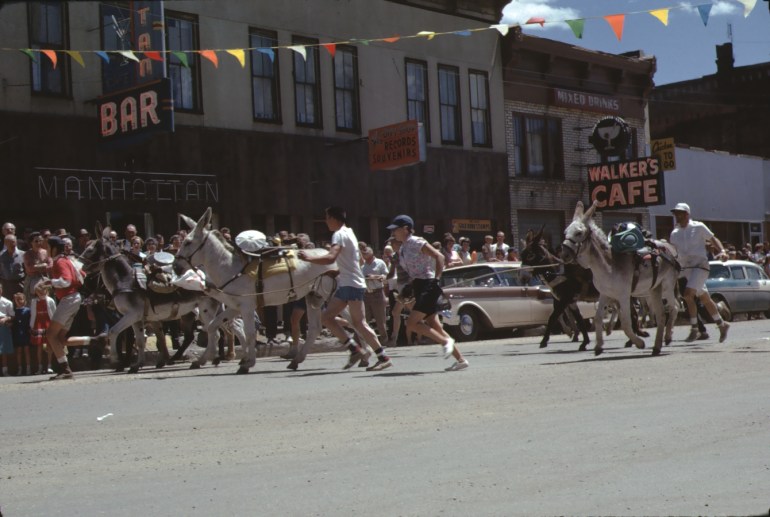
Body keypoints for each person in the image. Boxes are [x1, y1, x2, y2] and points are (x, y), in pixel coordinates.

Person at [297, 206, 392, 371]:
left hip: (352, 285)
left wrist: (309, 258)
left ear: (334, 218)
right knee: (326, 317)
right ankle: (354, 349)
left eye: (327, 218)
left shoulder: (339, 234)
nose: (326, 222)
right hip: (347, 284)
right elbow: (360, 261)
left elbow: (330, 257)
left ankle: (382, 357)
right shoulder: (350, 232)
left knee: (359, 323)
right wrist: (339, 270)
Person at [387, 214, 468, 371]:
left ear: (405, 229)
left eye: (395, 230)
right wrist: (410, 286)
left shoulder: (417, 241)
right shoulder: (403, 248)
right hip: (419, 285)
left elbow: (439, 256)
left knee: (412, 323)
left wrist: (436, 279)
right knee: (434, 325)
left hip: (428, 284)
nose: (393, 233)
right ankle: (461, 360)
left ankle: (446, 343)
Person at [39, 236, 106, 380]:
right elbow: (81, 274)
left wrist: (49, 282)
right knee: (60, 339)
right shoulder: (67, 260)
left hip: (68, 299)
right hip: (73, 299)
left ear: (54, 248)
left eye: (47, 247)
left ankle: (65, 369)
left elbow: (66, 281)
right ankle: (94, 340)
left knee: (51, 334)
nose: (45, 249)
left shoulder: (60, 261)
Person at [669, 202, 730, 343]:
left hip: (700, 265)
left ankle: (695, 329)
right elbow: (674, 251)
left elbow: (713, 239)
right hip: (686, 270)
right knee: (704, 299)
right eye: (675, 213)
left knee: (687, 295)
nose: (677, 215)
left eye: (680, 213)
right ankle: (722, 324)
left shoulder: (699, 227)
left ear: (687, 214)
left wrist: (722, 251)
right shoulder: (674, 233)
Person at [361, 246, 390, 344]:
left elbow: (386, 276)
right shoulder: (362, 266)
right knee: (365, 319)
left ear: (372, 252)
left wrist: (375, 277)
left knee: (380, 320)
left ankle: (384, 340)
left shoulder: (380, 263)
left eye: (366, 250)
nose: (364, 252)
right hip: (366, 294)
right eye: (363, 252)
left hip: (377, 292)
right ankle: (366, 341)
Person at [30, 282, 56, 374]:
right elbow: (33, 313)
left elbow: (54, 313)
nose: (41, 293)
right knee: (39, 346)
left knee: (49, 345)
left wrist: (54, 325)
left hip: (48, 324)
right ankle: (40, 367)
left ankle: (49, 366)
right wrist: (31, 325)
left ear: (46, 291)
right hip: (38, 324)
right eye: (38, 292)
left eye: (42, 291)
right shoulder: (34, 301)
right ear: (36, 292)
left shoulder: (50, 300)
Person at [22, 232, 52, 307]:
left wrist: (38, 266)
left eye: (40, 241)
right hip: (32, 279)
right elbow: (30, 268)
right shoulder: (27, 254)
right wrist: (44, 265)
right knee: (32, 303)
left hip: (44, 278)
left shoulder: (45, 252)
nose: (39, 243)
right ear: (31, 242)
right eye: (36, 241)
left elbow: (50, 265)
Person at [12, 292, 31, 375]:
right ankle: (19, 368)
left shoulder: (27, 310)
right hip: (17, 332)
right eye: (17, 299)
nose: (19, 301)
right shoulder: (14, 311)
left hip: (26, 332)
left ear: (24, 300)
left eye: (21, 299)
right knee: (18, 351)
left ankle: (28, 368)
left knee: (27, 351)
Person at [0, 233, 25, 298]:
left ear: (16, 242)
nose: (11, 244)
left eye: (13, 242)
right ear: (5, 243)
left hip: (20, 284)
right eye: (9, 242)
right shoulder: (1, 256)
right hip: (6, 285)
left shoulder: (23, 255)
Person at [0, 284, 14, 376]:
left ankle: (5, 370)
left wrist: (5, 319)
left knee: (3, 349)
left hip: (3, 325)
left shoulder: (7, 302)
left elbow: (12, 316)